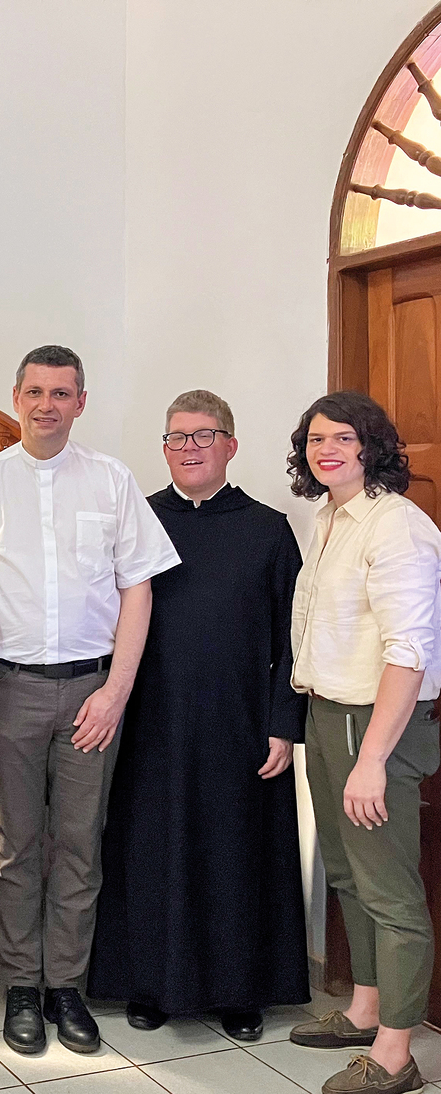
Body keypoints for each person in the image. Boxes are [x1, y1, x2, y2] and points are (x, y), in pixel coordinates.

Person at [0, 345, 179, 1055]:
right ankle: (21, 985)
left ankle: (65, 988)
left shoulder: (111, 481)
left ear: (82, 402)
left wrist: (115, 691)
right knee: (15, 844)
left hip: (90, 691)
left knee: (79, 844)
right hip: (6, 687)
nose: (47, 404)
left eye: (62, 393)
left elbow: (139, 588)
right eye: (36, 391)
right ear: (16, 397)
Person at [87, 389, 310, 1040]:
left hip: (240, 728)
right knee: (152, 854)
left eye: (202, 436)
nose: (188, 448)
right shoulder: (139, 522)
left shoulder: (268, 529)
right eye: (176, 437)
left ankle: (241, 992)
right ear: (163, 449)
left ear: (230, 446)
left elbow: (294, 635)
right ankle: (149, 985)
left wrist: (283, 723)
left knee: (236, 856)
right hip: (152, 725)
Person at [285, 392, 441, 1094]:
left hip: (373, 723)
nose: (327, 449)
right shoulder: (330, 518)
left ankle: (395, 1055)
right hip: (327, 714)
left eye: (343, 438)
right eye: (316, 438)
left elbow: (409, 651)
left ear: (371, 445)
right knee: (347, 874)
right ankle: (365, 1009)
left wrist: (373, 757)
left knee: (390, 893)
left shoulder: (396, 526)